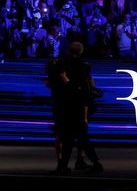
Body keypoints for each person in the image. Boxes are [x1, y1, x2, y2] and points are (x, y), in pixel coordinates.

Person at [47, 41, 103, 175]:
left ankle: (65, 166)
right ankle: (93, 163)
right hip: (78, 104)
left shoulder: (62, 64)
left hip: (67, 104)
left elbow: (59, 80)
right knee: (80, 137)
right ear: (81, 51)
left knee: (68, 138)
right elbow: (88, 85)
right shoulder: (83, 66)